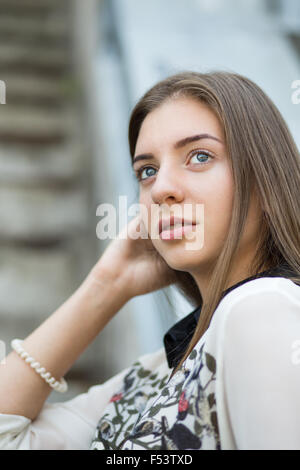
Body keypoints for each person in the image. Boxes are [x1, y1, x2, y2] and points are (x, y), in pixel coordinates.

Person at [0, 70, 299, 450]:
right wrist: (108, 285)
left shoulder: (261, 308)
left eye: (200, 156)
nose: (161, 190)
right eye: (148, 171)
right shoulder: (154, 373)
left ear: (265, 180)